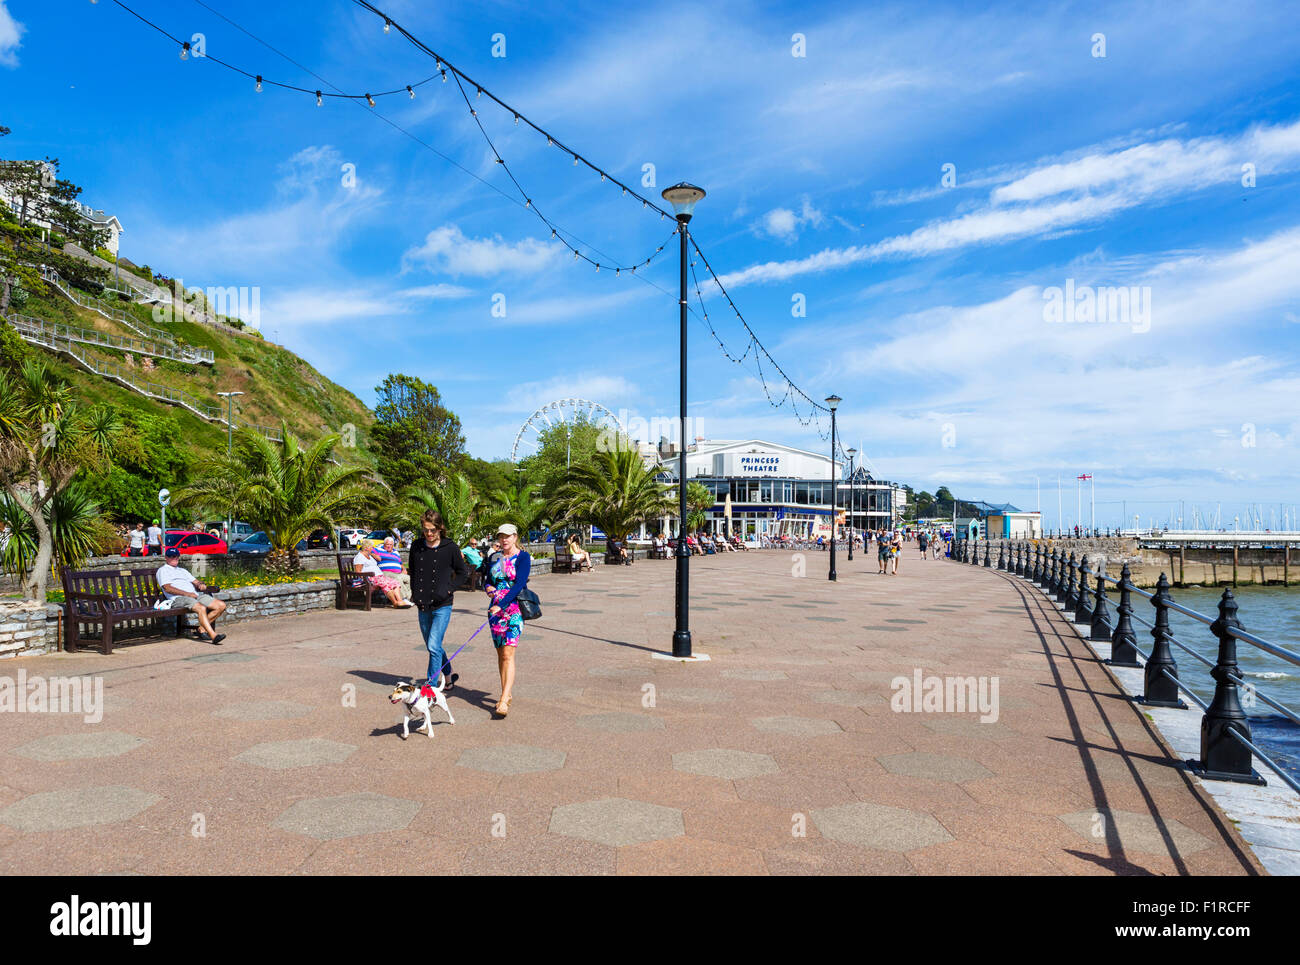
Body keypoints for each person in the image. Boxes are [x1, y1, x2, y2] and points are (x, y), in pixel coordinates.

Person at [409, 510, 471, 691]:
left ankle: (430, 687)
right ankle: (448, 675)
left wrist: (449, 589)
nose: (429, 534)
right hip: (422, 604)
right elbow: (413, 571)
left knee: (433, 645)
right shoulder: (416, 546)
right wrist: (414, 593)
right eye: (426, 530)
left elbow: (463, 573)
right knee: (433, 646)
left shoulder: (450, 547)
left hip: (442, 604)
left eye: (433, 530)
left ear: (440, 528)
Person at [484, 523, 531, 717]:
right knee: (500, 654)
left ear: (515, 537)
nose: (504, 539)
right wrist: (487, 588)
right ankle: (507, 692)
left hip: (513, 608)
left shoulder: (523, 557)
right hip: (494, 611)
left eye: (508, 536)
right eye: (501, 536)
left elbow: (519, 583)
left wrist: (502, 604)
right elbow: (487, 579)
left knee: (508, 654)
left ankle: (503, 699)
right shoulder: (495, 558)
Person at [158, 546, 226, 644]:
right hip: (178, 599)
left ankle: (201, 629)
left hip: (195, 595)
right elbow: (167, 588)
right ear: (166, 558)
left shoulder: (182, 570)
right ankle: (213, 635)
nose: (175, 558)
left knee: (221, 606)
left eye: (176, 556)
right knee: (201, 608)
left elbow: (195, 581)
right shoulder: (163, 570)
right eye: (172, 556)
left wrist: (200, 584)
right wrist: (187, 594)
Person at [353, 539, 412, 609]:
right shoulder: (360, 557)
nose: (373, 548)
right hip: (369, 578)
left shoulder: (370, 556)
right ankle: (395, 603)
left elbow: (379, 559)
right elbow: (358, 572)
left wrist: (371, 553)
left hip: (378, 577)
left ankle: (400, 601)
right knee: (385, 583)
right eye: (371, 547)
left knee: (394, 582)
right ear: (366, 548)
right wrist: (367, 578)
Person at [372, 536, 410, 601]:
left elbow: (400, 563)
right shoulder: (379, 550)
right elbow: (368, 550)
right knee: (398, 578)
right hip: (385, 572)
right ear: (384, 544)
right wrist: (374, 555)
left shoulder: (396, 552)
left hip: (398, 573)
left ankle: (408, 598)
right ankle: (403, 599)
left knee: (409, 578)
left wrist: (404, 569)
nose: (389, 546)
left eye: (391, 544)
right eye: (387, 544)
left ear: (393, 545)